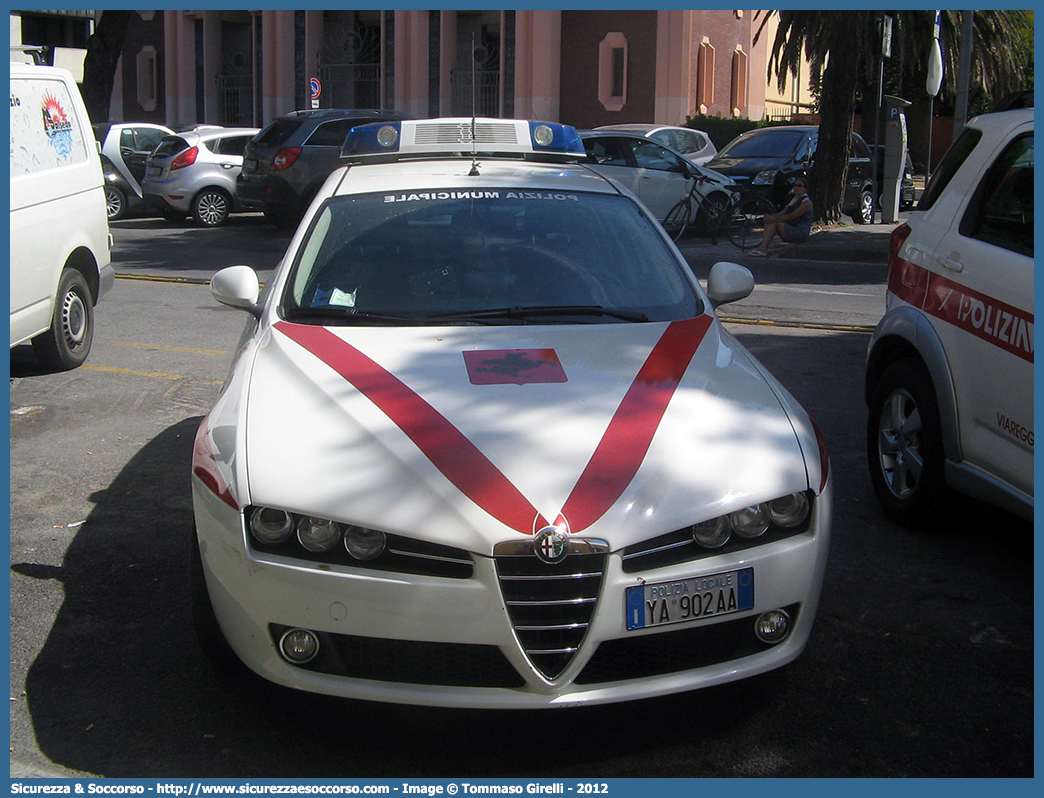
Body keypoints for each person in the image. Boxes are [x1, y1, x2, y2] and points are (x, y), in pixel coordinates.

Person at [750, 178, 813, 256]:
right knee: (770, 221)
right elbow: (783, 212)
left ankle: (764, 248)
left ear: (805, 189)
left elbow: (791, 216)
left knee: (775, 222)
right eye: (795, 185)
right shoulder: (795, 199)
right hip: (791, 228)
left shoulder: (806, 203)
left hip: (800, 233)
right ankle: (763, 247)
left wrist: (774, 219)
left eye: (799, 186)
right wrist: (770, 216)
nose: (796, 188)